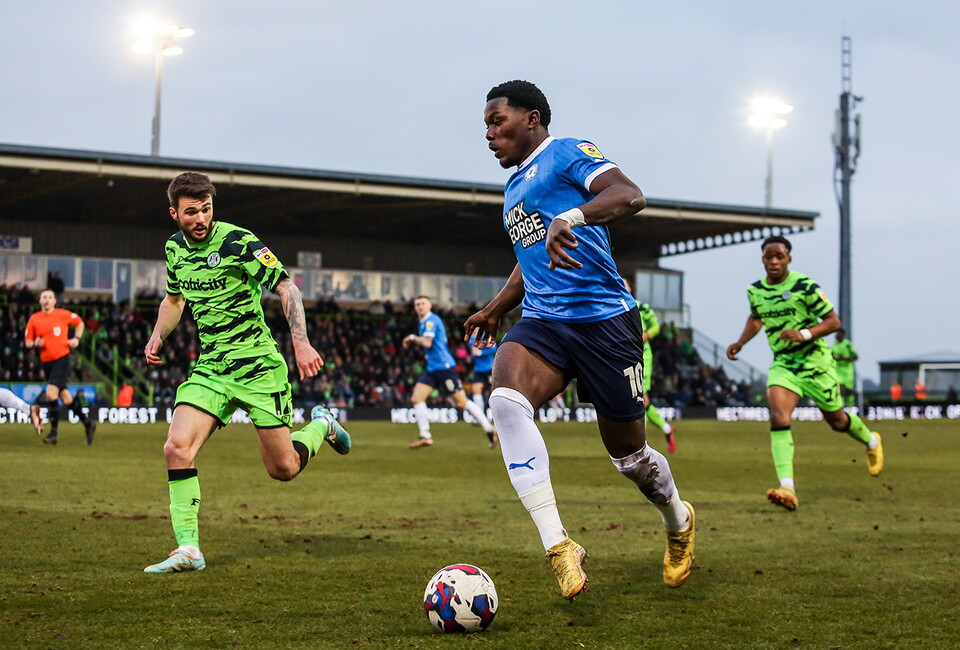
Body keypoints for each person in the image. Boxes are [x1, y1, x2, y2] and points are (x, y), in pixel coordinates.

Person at [465, 80, 695, 601]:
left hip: (604, 323)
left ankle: (678, 521)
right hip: (545, 324)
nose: (489, 133)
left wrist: (570, 216)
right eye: (484, 126)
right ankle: (559, 545)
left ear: (532, 118)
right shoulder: (513, 188)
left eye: (497, 121)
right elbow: (530, 258)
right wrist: (497, 308)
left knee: (630, 458)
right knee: (504, 401)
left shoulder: (567, 152)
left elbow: (628, 194)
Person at [142, 172, 352, 574]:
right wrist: (158, 336)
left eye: (206, 208)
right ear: (174, 214)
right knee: (175, 447)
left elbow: (287, 287)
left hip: (258, 367)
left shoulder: (239, 241)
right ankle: (189, 548)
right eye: (191, 212)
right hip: (211, 368)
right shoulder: (173, 249)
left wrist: (301, 341)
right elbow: (174, 299)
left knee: (284, 469)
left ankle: (321, 424)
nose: (201, 217)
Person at [726, 235, 884, 512]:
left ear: (789, 259)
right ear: (762, 259)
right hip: (784, 365)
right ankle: (788, 487)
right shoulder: (755, 290)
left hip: (816, 363)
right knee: (778, 416)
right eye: (768, 256)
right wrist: (741, 342)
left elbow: (834, 322)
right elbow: (756, 318)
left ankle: (871, 440)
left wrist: (804, 334)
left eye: (779, 256)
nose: (773, 261)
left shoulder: (804, 286)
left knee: (836, 420)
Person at [403, 296, 497, 449]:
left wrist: (412, 338)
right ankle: (425, 435)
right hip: (433, 368)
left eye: (422, 304)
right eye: (417, 304)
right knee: (416, 398)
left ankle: (489, 429)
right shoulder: (423, 322)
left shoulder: (431, 321)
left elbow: (427, 342)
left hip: (445, 368)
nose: (419, 307)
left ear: (429, 306)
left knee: (462, 402)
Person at [24, 289, 96, 445]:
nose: (47, 300)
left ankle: (53, 434)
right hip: (46, 362)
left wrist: (76, 338)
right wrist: (35, 343)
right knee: (66, 398)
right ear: (40, 301)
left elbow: (80, 323)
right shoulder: (34, 319)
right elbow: (28, 342)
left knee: (51, 394)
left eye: (50, 297)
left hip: (62, 358)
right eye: (44, 297)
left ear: (54, 301)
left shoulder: (63, 314)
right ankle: (88, 423)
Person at [623, 278, 676, 453]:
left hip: (642, 356)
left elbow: (656, 327)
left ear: (631, 288)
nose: (621, 285)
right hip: (622, 356)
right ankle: (666, 429)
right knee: (637, 398)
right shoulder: (611, 307)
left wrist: (646, 334)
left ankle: (639, 442)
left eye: (625, 283)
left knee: (638, 397)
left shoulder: (642, 307)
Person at [468, 334, 497, 416]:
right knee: (476, 391)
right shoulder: (471, 338)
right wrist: (471, 357)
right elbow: (474, 352)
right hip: (478, 369)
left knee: (493, 392)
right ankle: (480, 416)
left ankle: (496, 414)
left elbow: (493, 349)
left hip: (489, 368)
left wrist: (480, 353)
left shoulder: (487, 335)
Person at [830, 328, 859, 407]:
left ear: (843, 335)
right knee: (839, 388)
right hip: (838, 370)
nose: (837, 336)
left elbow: (856, 357)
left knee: (848, 390)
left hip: (847, 370)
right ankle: (841, 406)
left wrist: (845, 358)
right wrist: (836, 358)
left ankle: (851, 405)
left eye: (839, 334)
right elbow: (830, 358)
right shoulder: (833, 347)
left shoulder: (848, 344)